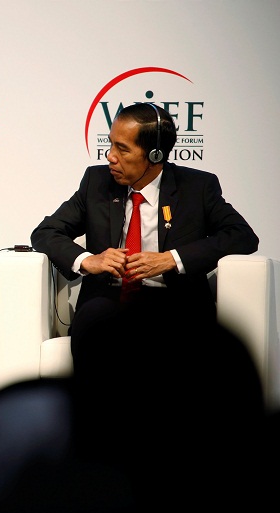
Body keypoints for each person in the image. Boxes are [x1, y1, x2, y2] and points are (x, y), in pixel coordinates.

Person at [30, 102, 259, 367]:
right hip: (108, 300)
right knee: (93, 318)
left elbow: (242, 236)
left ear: (154, 155)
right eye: (111, 144)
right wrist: (87, 260)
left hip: (174, 302)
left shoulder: (197, 187)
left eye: (123, 149)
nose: (110, 156)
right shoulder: (96, 182)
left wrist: (172, 259)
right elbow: (46, 231)